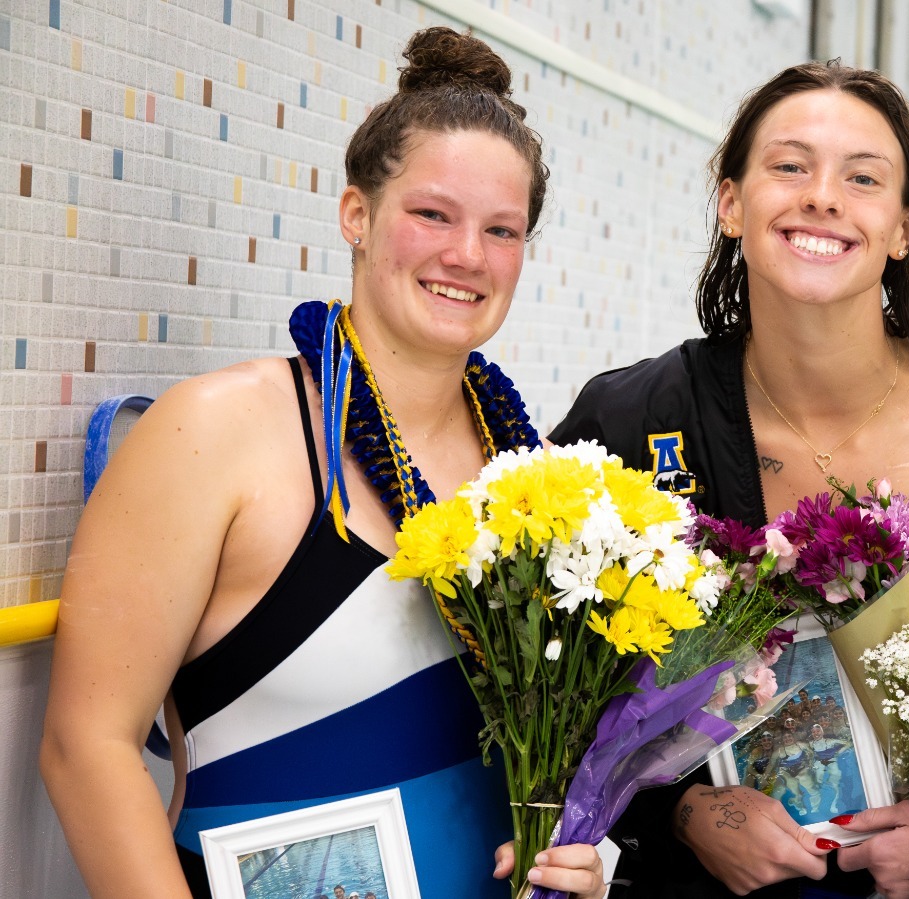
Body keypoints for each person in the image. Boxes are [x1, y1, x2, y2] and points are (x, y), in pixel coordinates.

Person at [38, 27, 603, 899]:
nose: (467, 256)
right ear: (356, 214)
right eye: (432, 214)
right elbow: (86, 747)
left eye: (503, 229)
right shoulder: (216, 432)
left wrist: (583, 848)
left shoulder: (528, 478)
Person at [550, 60, 909, 899]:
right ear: (732, 205)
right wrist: (689, 814)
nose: (822, 196)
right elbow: (556, 694)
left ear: (906, 226)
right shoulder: (632, 420)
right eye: (790, 166)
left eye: (862, 177)